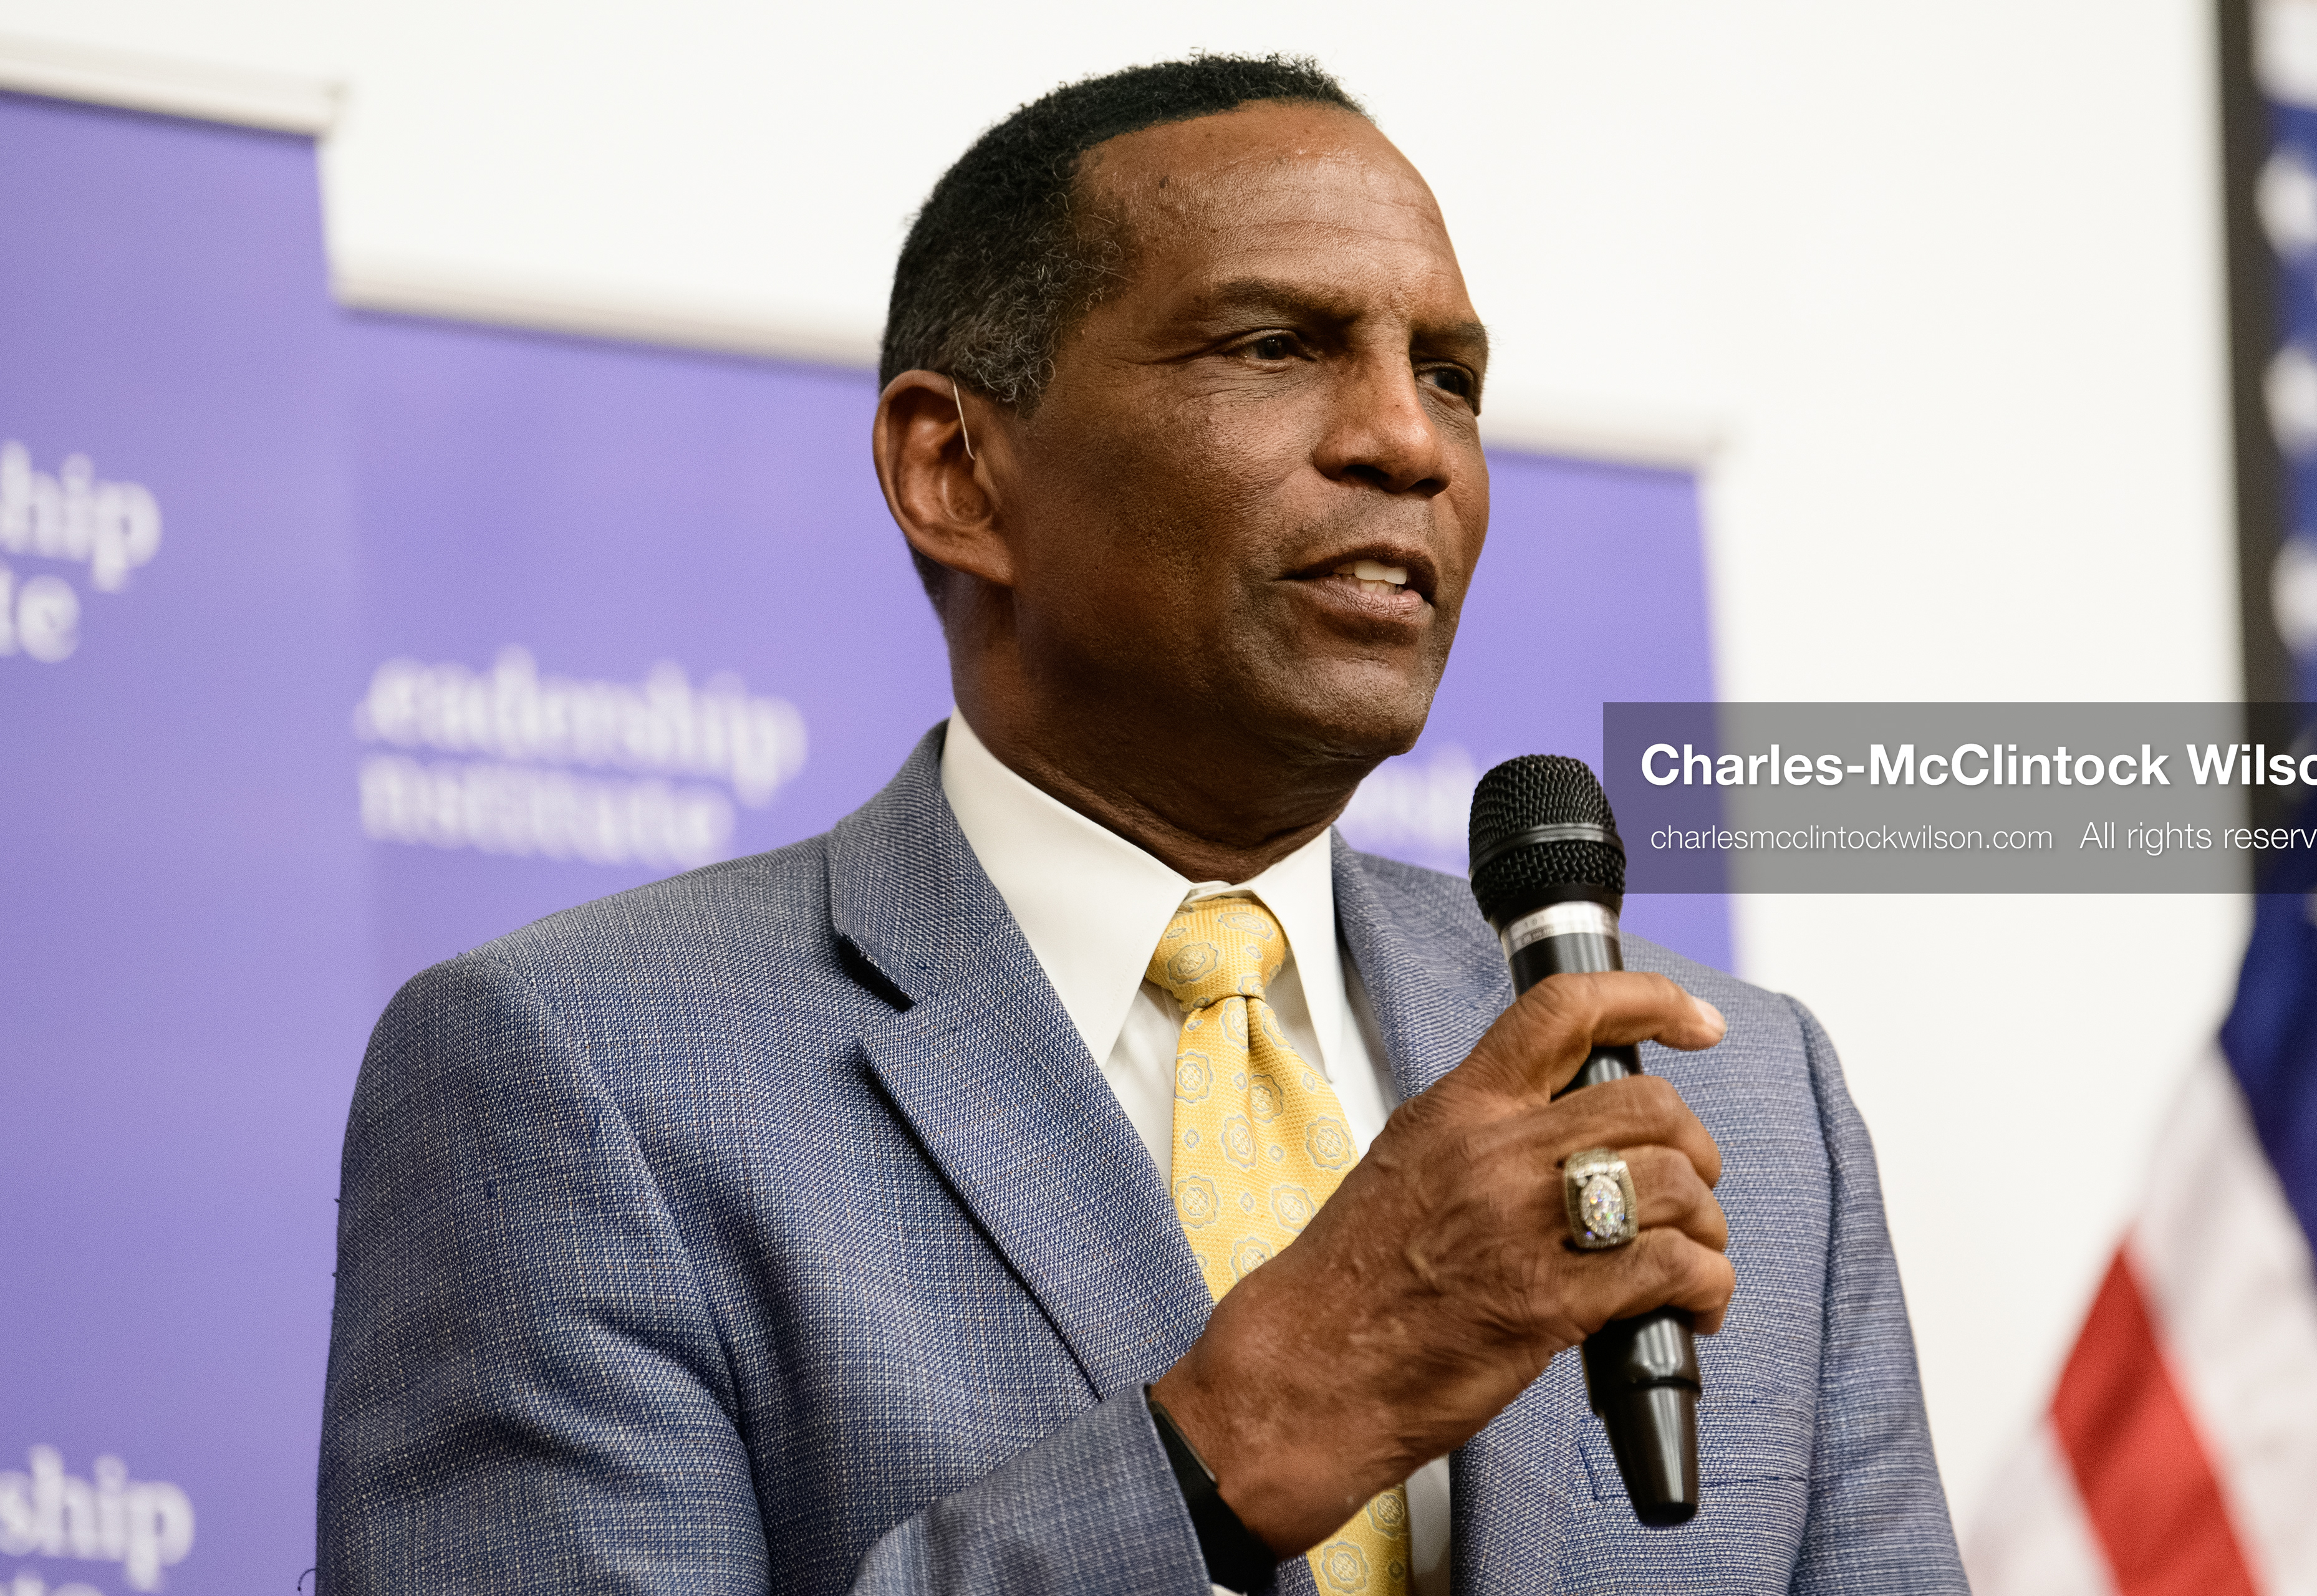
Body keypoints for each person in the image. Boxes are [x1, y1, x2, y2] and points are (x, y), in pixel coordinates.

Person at [316, 54, 1963, 1595]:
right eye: (1273, 346)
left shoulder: (1745, 1094)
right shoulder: (581, 1073)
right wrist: (1238, 1438)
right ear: (955, 470)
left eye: (1449, 376)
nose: (1407, 439)